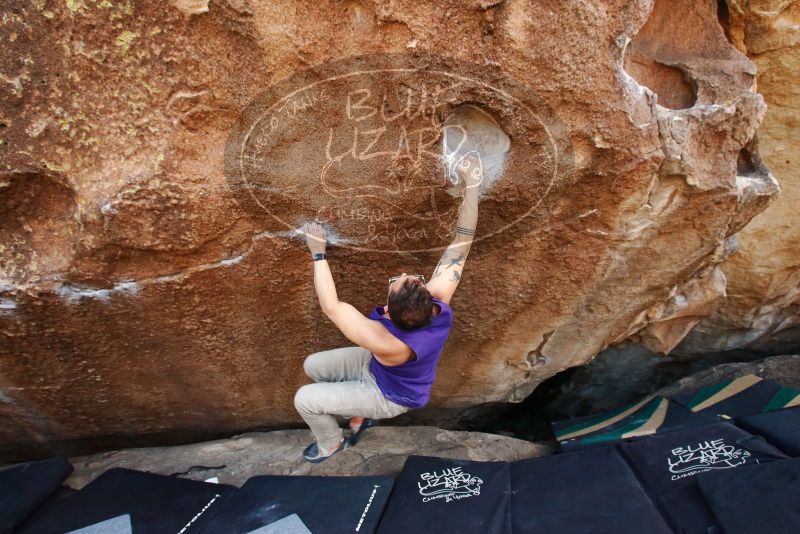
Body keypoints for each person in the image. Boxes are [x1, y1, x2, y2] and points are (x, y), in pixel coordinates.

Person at [294, 153, 483, 462]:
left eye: (397, 280)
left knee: (304, 400)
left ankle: (331, 442)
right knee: (313, 366)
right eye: (412, 278)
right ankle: (356, 411)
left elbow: (332, 307)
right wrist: (473, 183)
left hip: (390, 395)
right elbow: (463, 241)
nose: (405, 273)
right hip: (378, 368)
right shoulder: (438, 303)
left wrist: (318, 253)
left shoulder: (384, 340)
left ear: (389, 313)